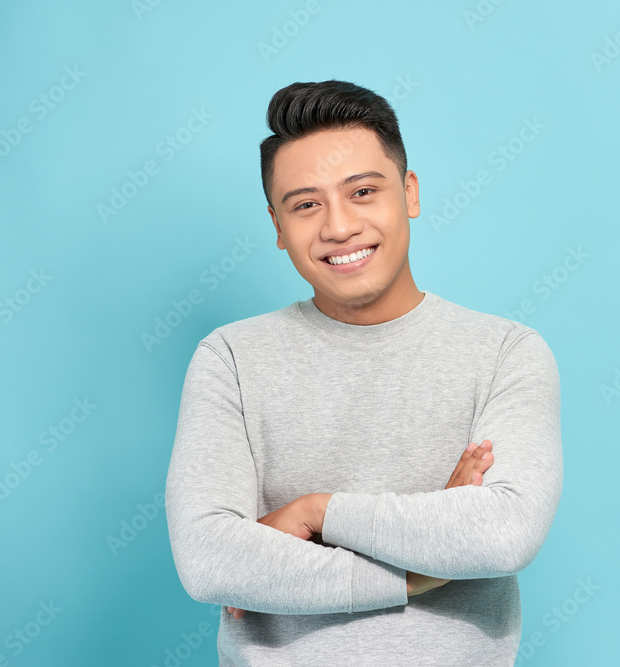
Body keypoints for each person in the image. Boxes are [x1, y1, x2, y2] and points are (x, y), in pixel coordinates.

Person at [164, 79, 563, 666]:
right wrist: (416, 574)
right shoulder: (230, 358)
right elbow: (209, 561)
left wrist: (316, 511)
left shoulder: (506, 352)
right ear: (277, 225)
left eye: (362, 191)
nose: (338, 226)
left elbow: (503, 532)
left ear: (409, 193)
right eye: (305, 204)